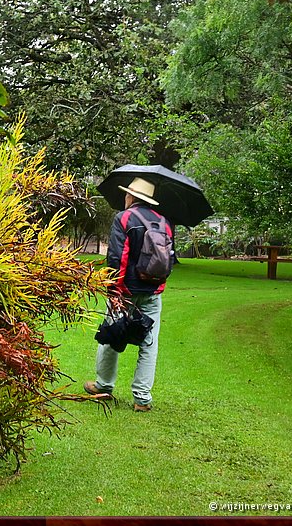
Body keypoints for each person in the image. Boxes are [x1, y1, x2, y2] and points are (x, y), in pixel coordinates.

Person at [85, 177, 174, 412]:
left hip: (125, 291)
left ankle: (103, 386)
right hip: (153, 291)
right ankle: (142, 399)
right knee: (149, 343)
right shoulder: (165, 222)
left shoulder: (124, 218)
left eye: (126, 194)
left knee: (112, 335)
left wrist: (114, 290)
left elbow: (117, 258)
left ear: (132, 197)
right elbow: (168, 260)